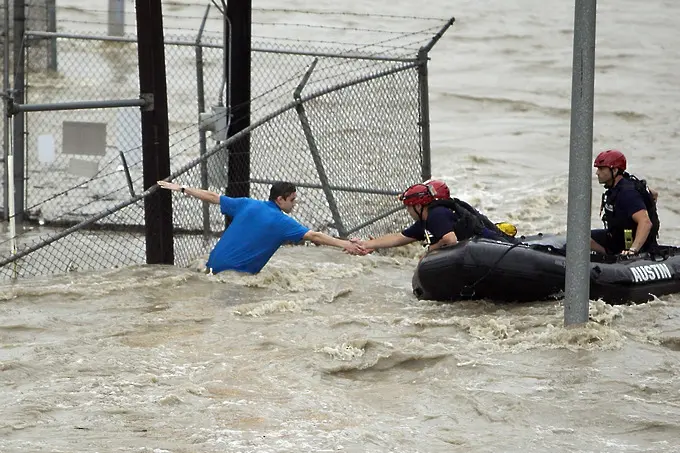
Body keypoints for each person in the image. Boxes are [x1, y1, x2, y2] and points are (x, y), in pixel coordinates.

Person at [157, 180, 367, 274]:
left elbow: (213, 197)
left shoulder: (247, 203)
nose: (295, 203)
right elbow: (316, 237)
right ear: (280, 199)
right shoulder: (283, 222)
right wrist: (345, 244)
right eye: (292, 200)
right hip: (234, 277)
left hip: (211, 266)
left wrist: (182, 188)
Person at [351, 179, 516, 253]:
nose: (408, 212)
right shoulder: (427, 220)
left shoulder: (436, 215)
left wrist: (431, 249)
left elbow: (450, 240)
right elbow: (397, 238)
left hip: (493, 246)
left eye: (409, 207)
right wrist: (367, 244)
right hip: (483, 248)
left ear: (417, 206)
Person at [590, 149, 660, 256]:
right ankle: (609, 255)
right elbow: (654, 194)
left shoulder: (628, 193)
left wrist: (633, 250)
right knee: (581, 238)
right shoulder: (618, 186)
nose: (597, 173)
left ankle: (611, 257)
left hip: (631, 244)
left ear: (614, 171)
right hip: (617, 236)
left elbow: (645, 223)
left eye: (601, 168)